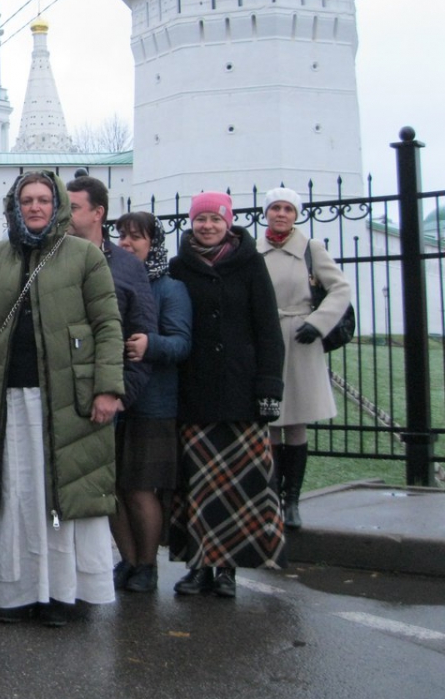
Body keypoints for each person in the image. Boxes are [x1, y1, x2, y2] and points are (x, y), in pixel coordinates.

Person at [0, 172, 124, 626]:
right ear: (15, 206)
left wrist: (108, 387)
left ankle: (62, 594)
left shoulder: (84, 256)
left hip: (67, 400)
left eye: (44, 200)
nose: (35, 207)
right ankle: (18, 591)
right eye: (27, 200)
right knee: (16, 495)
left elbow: (108, 324)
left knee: (59, 498)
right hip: (9, 399)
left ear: (58, 207)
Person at [169, 191, 285, 599]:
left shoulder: (251, 264)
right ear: (191, 223)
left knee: (240, 489)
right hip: (196, 392)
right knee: (198, 487)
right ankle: (199, 566)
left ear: (228, 222)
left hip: (242, 392)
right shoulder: (179, 267)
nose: (207, 227)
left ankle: (228, 571)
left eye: (215, 220)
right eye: (200, 220)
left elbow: (268, 329)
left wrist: (270, 386)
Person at [259, 187, 352, 530]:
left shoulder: (312, 249)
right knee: (269, 422)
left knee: (295, 423)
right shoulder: (255, 251)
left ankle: (292, 501)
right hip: (268, 340)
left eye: (287, 209)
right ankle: (270, 502)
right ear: (265, 212)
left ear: (296, 214)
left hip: (301, 339)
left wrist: (318, 323)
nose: (281, 214)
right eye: (275, 208)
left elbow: (340, 287)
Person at [113, 212, 192, 593]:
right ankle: (126, 561)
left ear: (153, 242)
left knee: (141, 488)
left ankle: (147, 565)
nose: (127, 244)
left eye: (136, 237)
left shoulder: (170, 288)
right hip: (115, 396)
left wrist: (151, 345)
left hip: (153, 402)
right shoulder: (112, 276)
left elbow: (181, 342)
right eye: (123, 237)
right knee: (113, 487)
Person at [66, 175, 157, 414]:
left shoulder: (127, 266)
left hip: (102, 397)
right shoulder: (50, 259)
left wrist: (121, 396)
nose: (65, 215)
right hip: (58, 392)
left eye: (73, 208)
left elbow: (141, 333)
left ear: (98, 213)